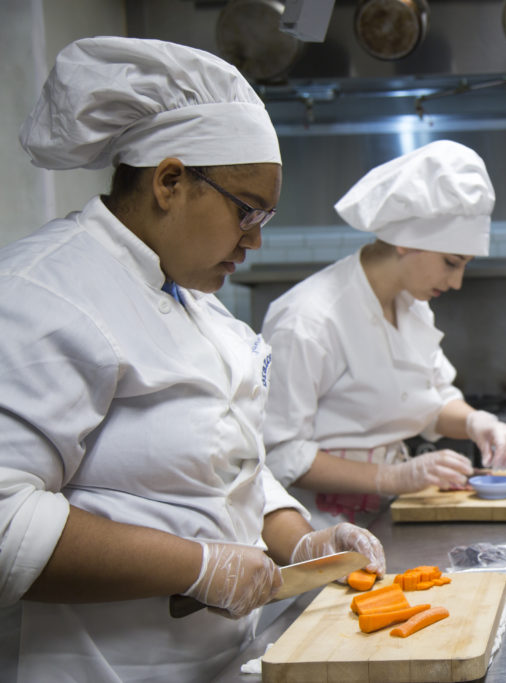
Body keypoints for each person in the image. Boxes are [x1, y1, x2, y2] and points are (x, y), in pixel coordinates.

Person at [0, 36, 384, 682]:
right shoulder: (44, 292)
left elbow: (230, 467)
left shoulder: (198, 306)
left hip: (225, 663)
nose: (255, 239)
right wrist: (198, 566)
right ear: (171, 180)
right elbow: (7, 521)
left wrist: (302, 539)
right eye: (247, 211)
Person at [262, 140, 506, 526]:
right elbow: (281, 453)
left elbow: (431, 400)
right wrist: (392, 477)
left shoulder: (413, 306)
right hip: (318, 528)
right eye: (451, 263)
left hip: (392, 515)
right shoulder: (307, 320)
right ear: (405, 240)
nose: (456, 282)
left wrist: (478, 423)